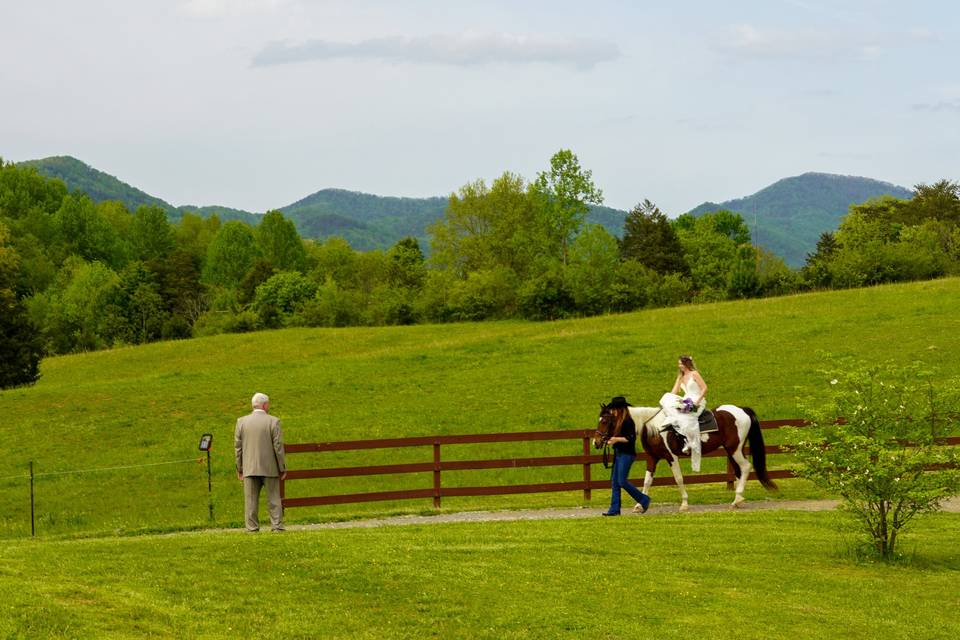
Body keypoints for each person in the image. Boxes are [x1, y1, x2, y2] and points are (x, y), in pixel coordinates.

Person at [235, 392, 287, 532]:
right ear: (264, 405)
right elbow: (278, 447)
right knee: (274, 499)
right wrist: (282, 467)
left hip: (249, 467)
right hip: (270, 467)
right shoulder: (273, 421)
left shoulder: (241, 422)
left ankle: (252, 528)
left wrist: (240, 468)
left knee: (250, 501)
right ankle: (276, 526)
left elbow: (238, 448)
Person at [602, 396, 652, 516]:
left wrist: (615, 439)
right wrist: (610, 440)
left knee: (622, 481)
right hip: (619, 453)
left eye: (614, 409)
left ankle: (643, 499)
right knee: (615, 482)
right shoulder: (617, 421)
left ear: (619, 409)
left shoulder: (628, 421)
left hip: (626, 454)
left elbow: (631, 438)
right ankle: (614, 509)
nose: (613, 411)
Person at [659, 355, 708, 472]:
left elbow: (705, 388)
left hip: (697, 401)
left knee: (686, 418)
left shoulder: (694, 374)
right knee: (668, 399)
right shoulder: (680, 377)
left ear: (686, 364)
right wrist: (673, 401)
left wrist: (697, 402)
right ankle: (686, 439)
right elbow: (674, 392)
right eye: (679, 364)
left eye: (681, 363)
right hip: (686, 400)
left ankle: (691, 442)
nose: (679, 365)